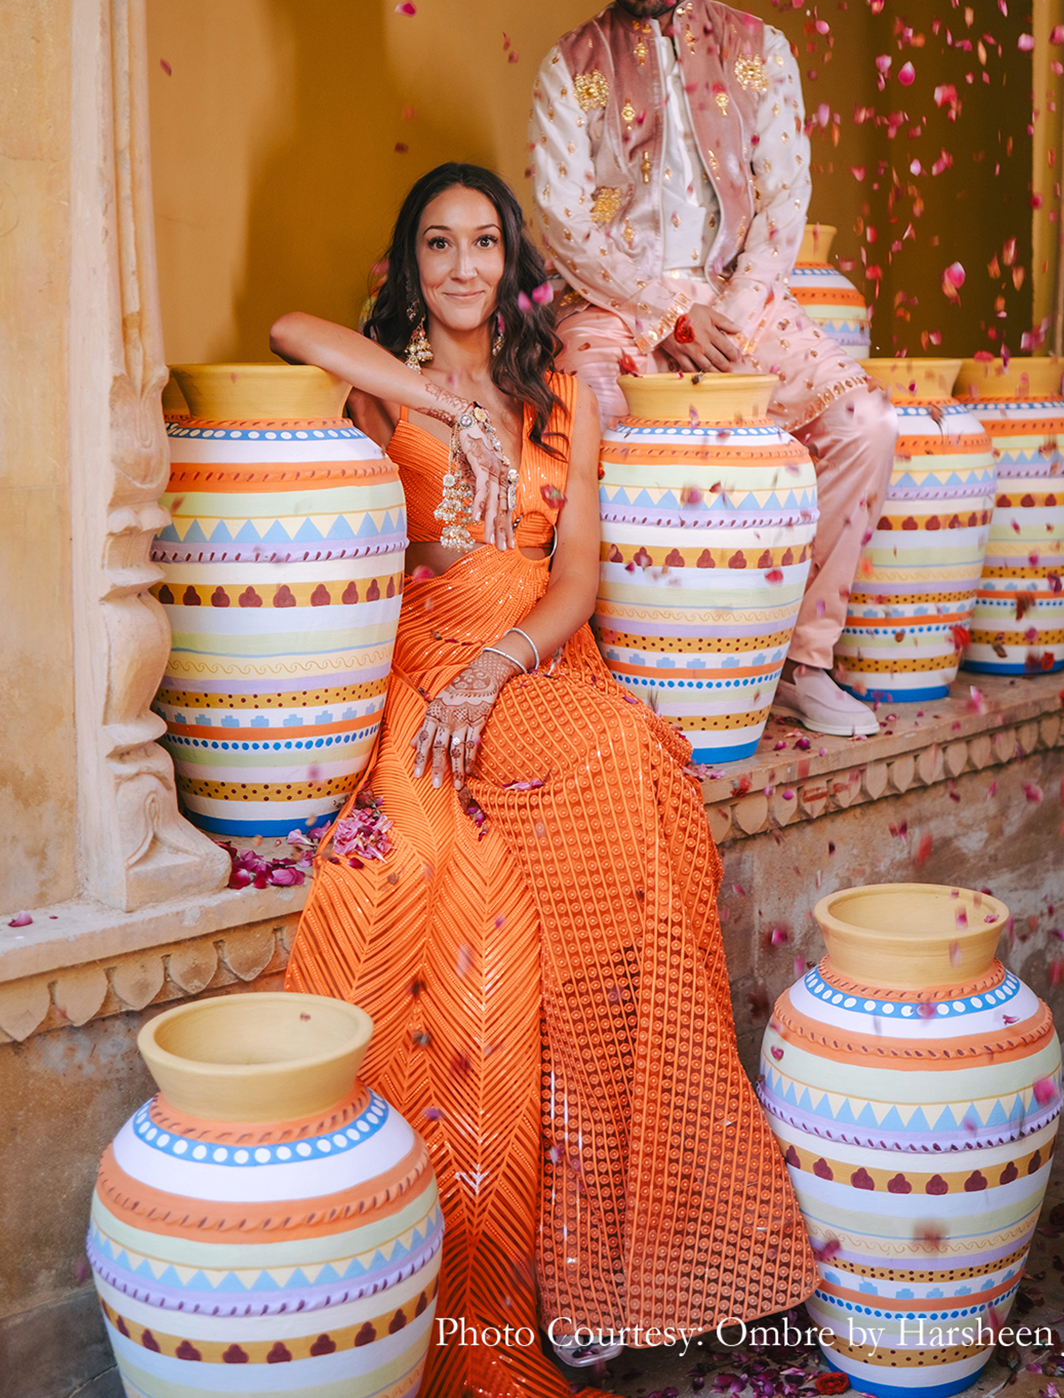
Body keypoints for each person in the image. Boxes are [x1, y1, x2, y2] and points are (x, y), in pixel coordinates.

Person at [275, 164, 819, 1398]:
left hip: (532, 654)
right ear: (408, 262)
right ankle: (565, 1260)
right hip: (435, 657)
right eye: (435, 245)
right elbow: (283, 330)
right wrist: (437, 403)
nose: (461, 267)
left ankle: (622, 1245)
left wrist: (507, 664)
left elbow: (575, 573)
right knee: (599, 784)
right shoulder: (373, 384)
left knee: (646, 786)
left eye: (480, 244)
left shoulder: (565, 393)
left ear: (509, 259)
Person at [528, 0, 897, 739]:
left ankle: (800, 660)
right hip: (613, 302)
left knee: (866, 427)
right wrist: (666, 315)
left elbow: (784, 198)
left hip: (742, 299)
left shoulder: (757, 52)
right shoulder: (574, 68)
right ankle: (622, 675)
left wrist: (734, 311)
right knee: (598, 433)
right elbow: (563, 219)